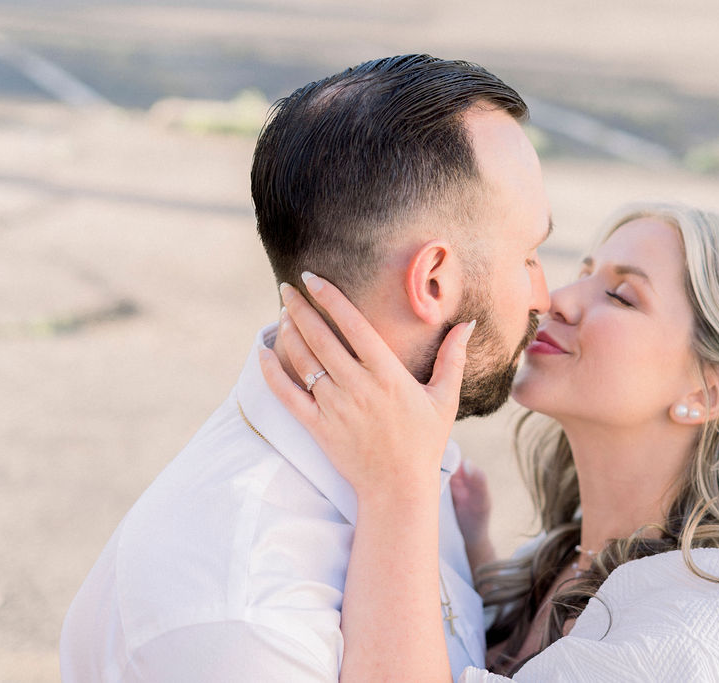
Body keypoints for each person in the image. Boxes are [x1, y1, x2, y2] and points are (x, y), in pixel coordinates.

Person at [60, 54, 553, 682]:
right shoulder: (239, 614)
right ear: (432, 280)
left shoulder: (400, 449)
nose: (547, 296)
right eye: (530, 257)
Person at [265, 202, 719, 681]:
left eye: (621, 296)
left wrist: (396, 488)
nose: (557, 300)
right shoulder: (561, 562)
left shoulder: (710, 631)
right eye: (583, 273)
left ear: (710, 391)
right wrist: (475, 556)